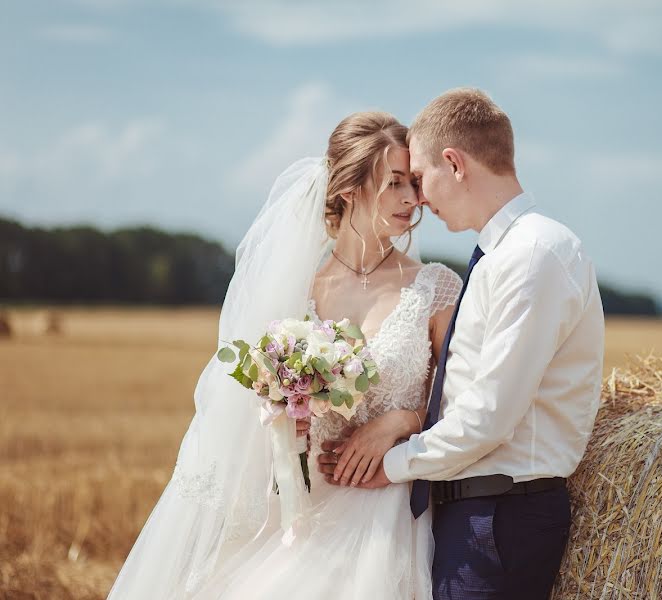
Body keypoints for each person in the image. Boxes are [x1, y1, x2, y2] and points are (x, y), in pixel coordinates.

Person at [108, 111, 462, 599]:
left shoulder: (436, 288)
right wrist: (285, 417)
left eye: (414, 183)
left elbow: (470, 398)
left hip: (389, 505)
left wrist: (405, 419)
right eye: (395, 182)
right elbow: (256, 408)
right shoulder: (296, 289)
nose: (412, 199)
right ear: (348, 190)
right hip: (305, 505)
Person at [319, 88, 606, 600]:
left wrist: (388, 465)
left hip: (499, 514)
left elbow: (490, 415)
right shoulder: (503, 256)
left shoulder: (532, 254)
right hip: (473, 510)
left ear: (453, 163)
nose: (419, 199)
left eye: (421, 178)